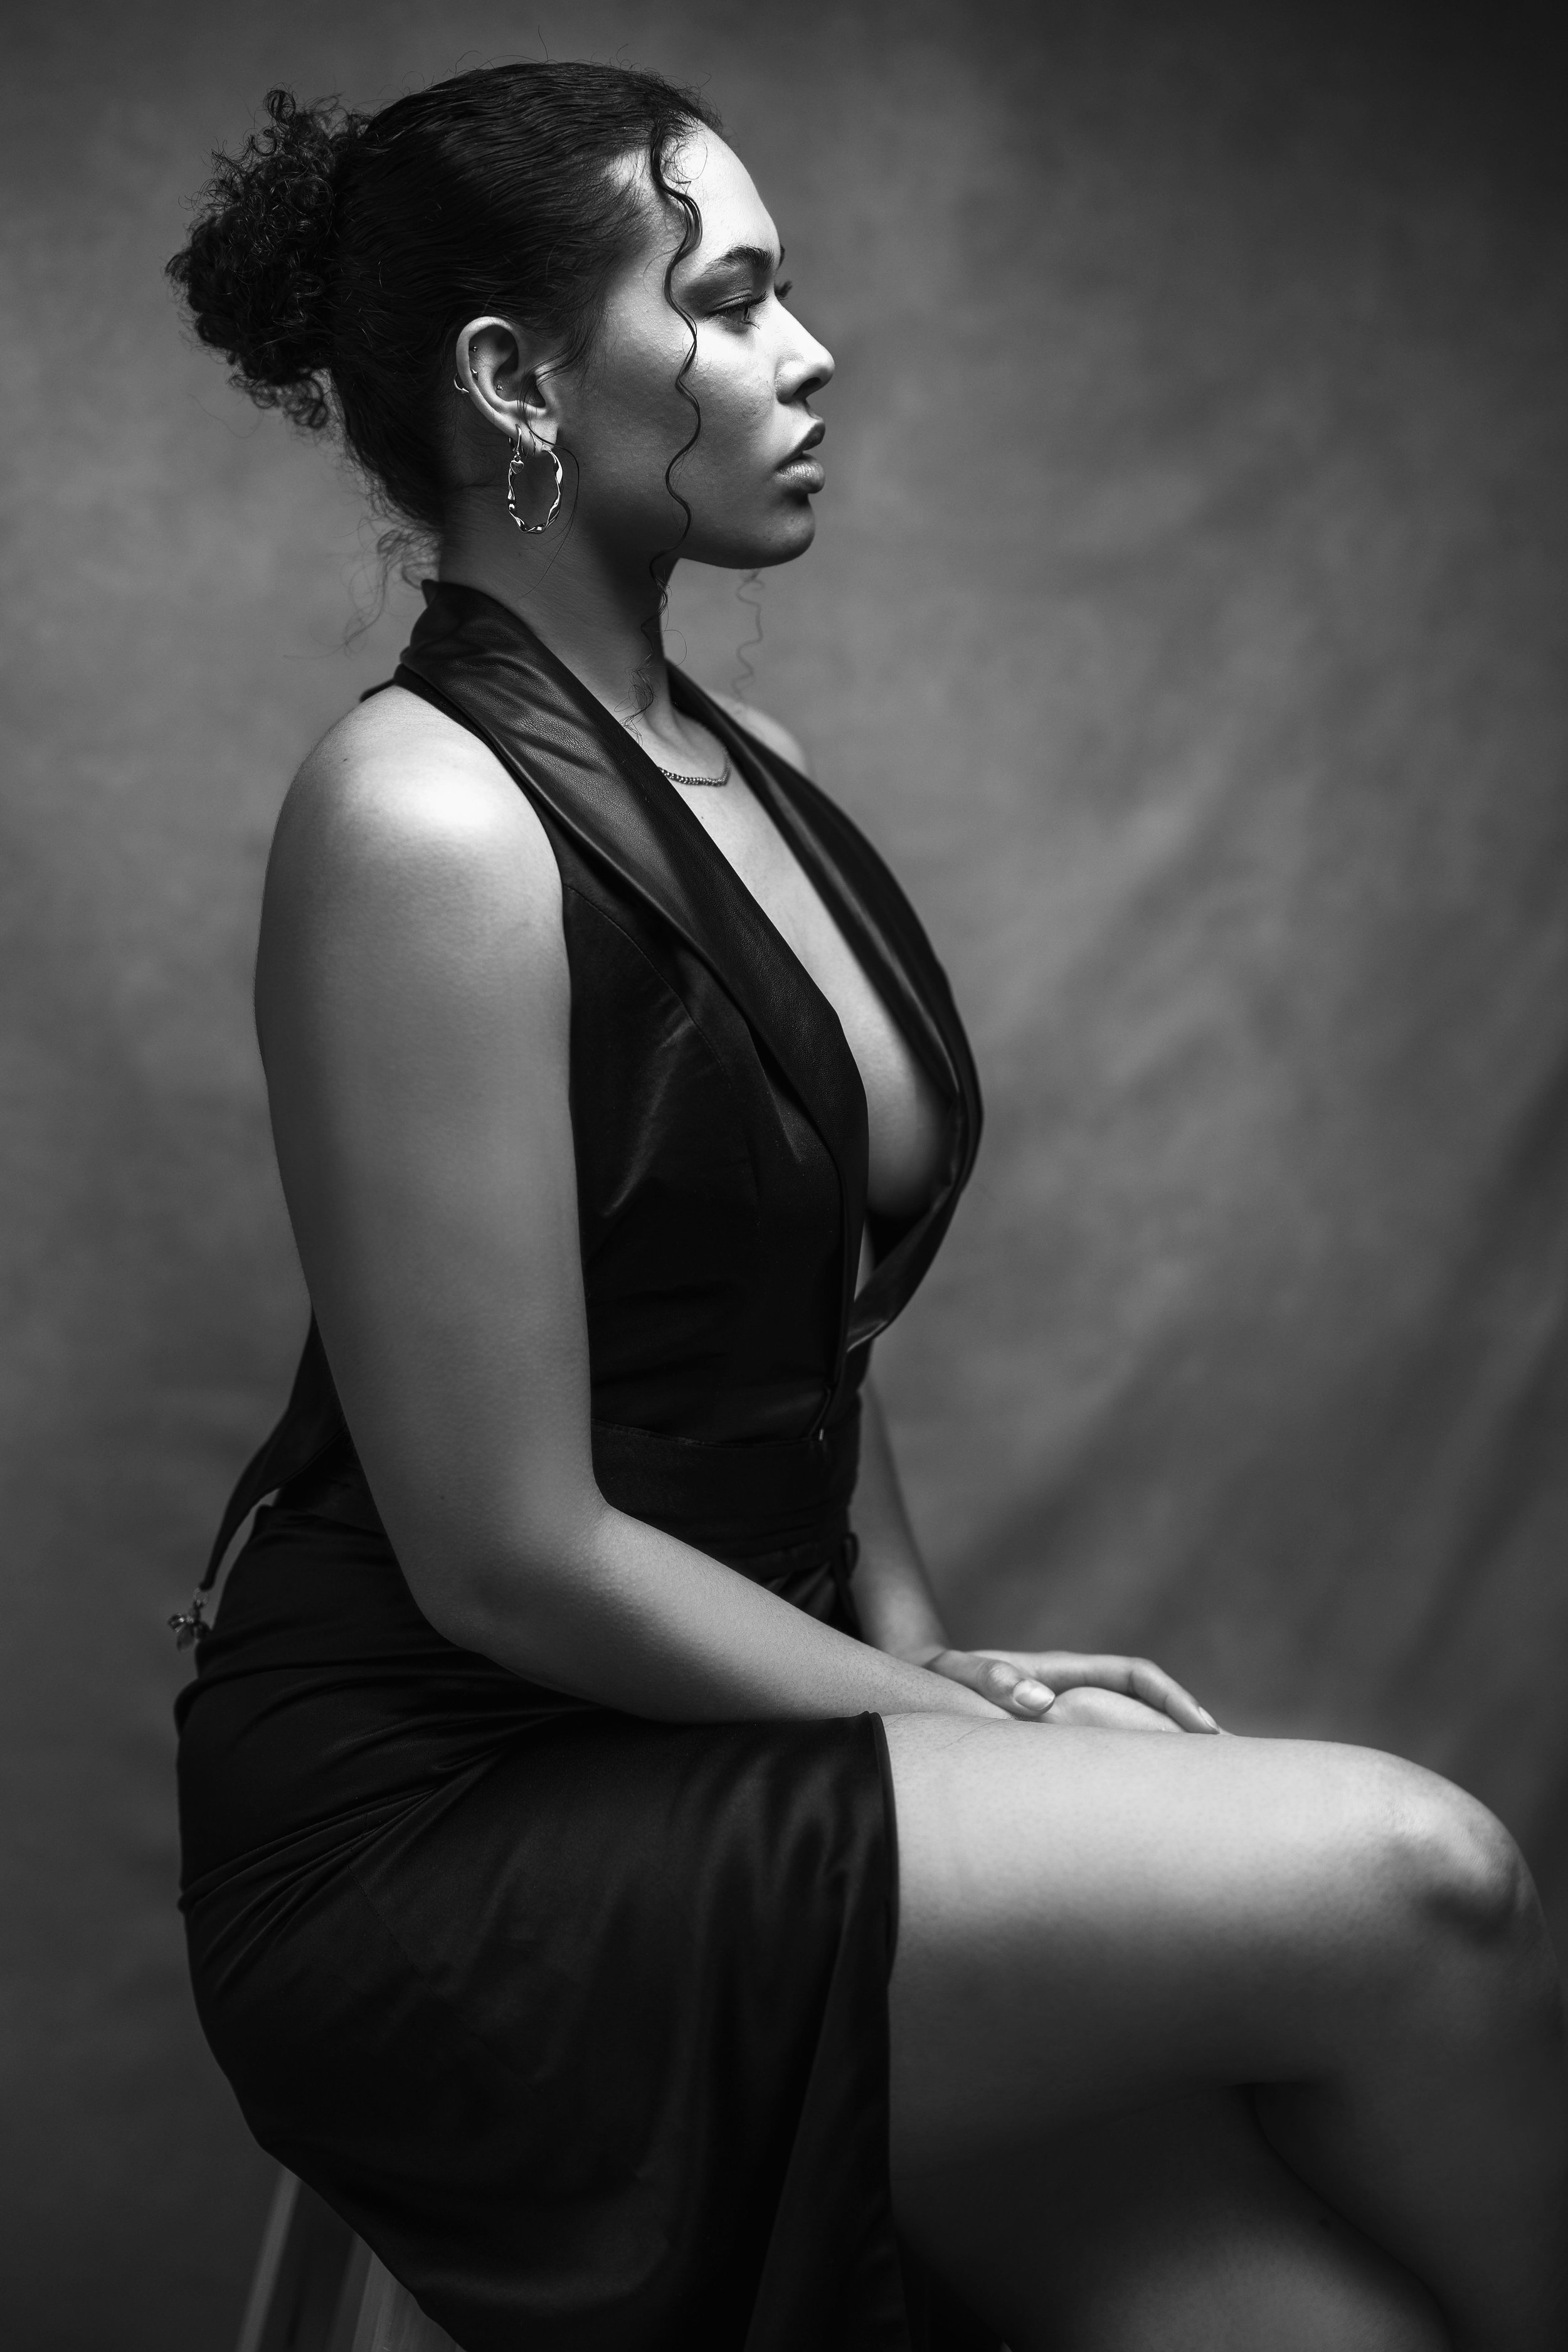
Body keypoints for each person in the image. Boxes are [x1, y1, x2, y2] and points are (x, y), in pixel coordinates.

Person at [167, 61, 1566, 2352]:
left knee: (1309, 2327)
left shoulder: (761, 769)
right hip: (448, 1832)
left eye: (788, 291)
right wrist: (952, 1739)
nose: (809, 354)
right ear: (519, 383)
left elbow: (791, 1315)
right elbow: (507, 1554)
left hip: (729, 1745)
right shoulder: (416, 816)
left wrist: (925, 1657)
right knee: (1430, 1882)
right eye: (727, 300)